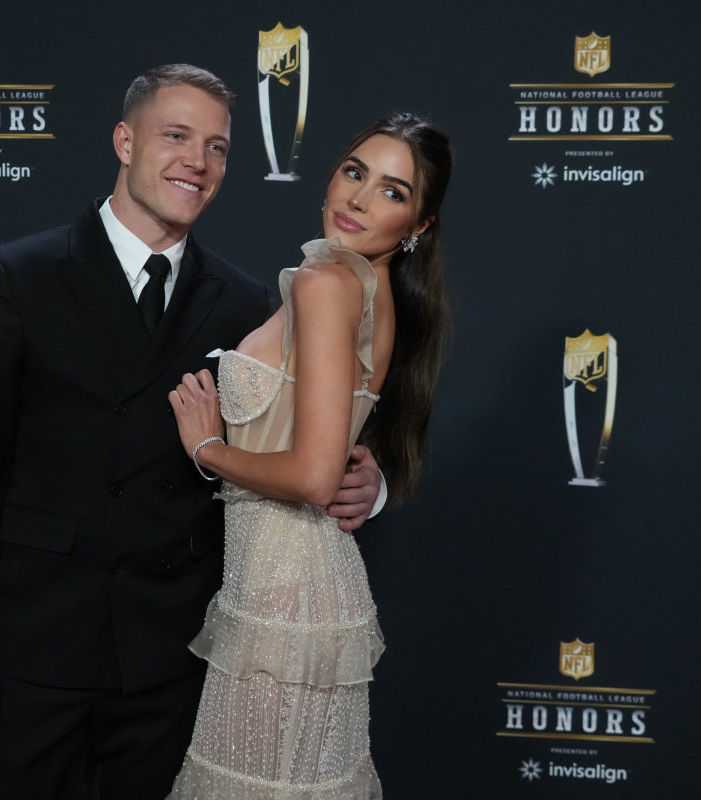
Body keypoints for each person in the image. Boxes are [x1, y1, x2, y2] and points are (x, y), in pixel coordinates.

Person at [0, 64, 384, 800]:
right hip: (36, 647)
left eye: (218, 147)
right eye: (176, 136)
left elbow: (301, 445)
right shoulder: (17, 278)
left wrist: (369, 483)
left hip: (174, 649)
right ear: (124, 140)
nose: (197, 162)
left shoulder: (244, 301)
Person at [165, 112, 453, 798]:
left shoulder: (327, 286)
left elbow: (316, 475)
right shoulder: (370, 292)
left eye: (393, 191)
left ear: (419, 227)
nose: (357, 197)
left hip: (283, 599)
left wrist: (208, 447)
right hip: (295, 590)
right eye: (355, 172)